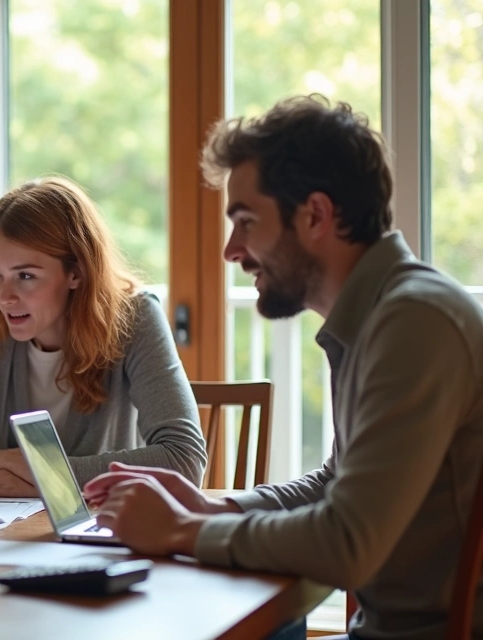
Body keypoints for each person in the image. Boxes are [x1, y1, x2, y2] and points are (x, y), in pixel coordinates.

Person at [83, 95, 483, 640]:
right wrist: (212, 506)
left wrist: (181, 531)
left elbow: (347, 545)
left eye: (245, 221)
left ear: (316, 215)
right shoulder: (381, 316)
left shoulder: (413, 321)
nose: (230, 250)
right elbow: (335, 484)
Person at [0, 176, 206, 498]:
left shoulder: (135, 319)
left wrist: (48, 476)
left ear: (76, 273)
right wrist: (4, 461)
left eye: (25, 276)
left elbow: (183, 458)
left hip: (107, 529)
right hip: (11, 529)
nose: (3, 296)